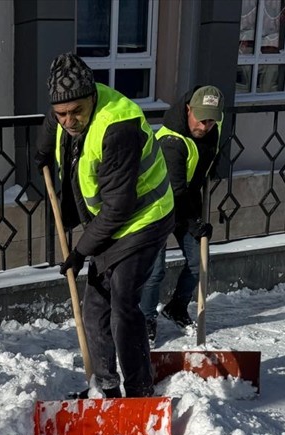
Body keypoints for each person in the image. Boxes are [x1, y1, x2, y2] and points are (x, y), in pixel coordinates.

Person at [34, 54, 174, 399]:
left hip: (144, 217)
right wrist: (41, 153)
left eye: (76, 111)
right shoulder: (64, 112)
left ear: (92, 96)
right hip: (109, 222)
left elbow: (118, 207)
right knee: (96, 307)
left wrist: (81, 251)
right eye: (61, 113)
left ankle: (139, 392)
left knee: (122, 303)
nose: (69, 120)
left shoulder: (118, 126)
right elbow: (51, 129)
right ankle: (107, 387)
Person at [139, 85, 224, 344]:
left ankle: (176, 307)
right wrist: (195, 223)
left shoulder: (212, 130)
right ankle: (145, 319)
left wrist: (209, 165)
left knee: (199, 262)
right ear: (188, 109)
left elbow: (205, 160)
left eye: (211, 121)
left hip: (186, 202)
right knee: (155, 271)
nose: (205, 126)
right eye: (201, 119)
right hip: (155, 208)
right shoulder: (171, 142)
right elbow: (175, 191)